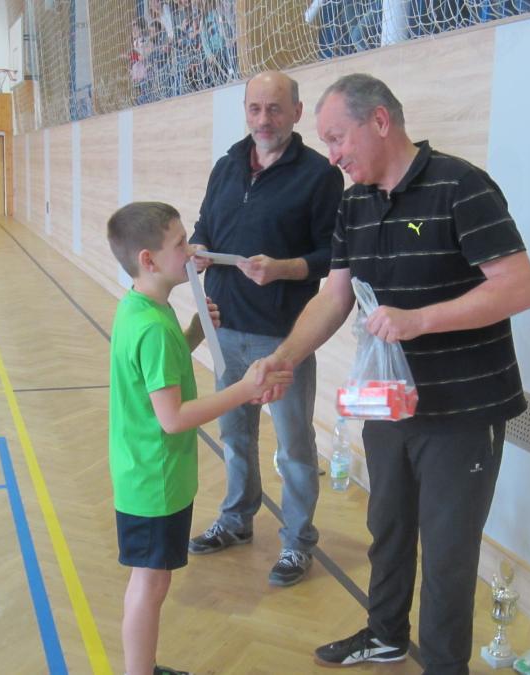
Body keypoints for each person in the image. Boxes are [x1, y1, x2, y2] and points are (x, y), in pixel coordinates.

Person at [259, 73, 530, 674]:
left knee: (447, 553)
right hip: (388, 405)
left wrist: (420, 320)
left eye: (337, 138)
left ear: (380, 121)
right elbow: (334, 296)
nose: (332, 155)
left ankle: (443, 665)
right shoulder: (354, 203)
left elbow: (519, 287)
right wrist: (285, 356)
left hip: (462, 415)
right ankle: (384, 635)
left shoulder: (462, 187)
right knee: (386, 526)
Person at [106, 201, 292, 675]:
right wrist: (244, 390)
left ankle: (143, 667)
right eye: (180, 244)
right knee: (150, 584)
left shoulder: (142, 306)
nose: (191, 251)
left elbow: (155, 377)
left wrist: (192, 334)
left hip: (145, 472)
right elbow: (172, 418)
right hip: (155, 480)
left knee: (152, 581)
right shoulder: (152, 326)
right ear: (148, 259)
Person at [186, 70, 344, 587]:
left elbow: (331, 257)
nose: (263, 119)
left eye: (274, 108)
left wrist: (283, 269)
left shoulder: (320, 175)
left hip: (284, 338)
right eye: (255, 108)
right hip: (224, 328)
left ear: (296, 112)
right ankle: (236, 519)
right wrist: (198, 250)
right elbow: (204, 228)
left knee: (294, 445)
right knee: (234, 436)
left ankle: (297, 542)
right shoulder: (227, 166)